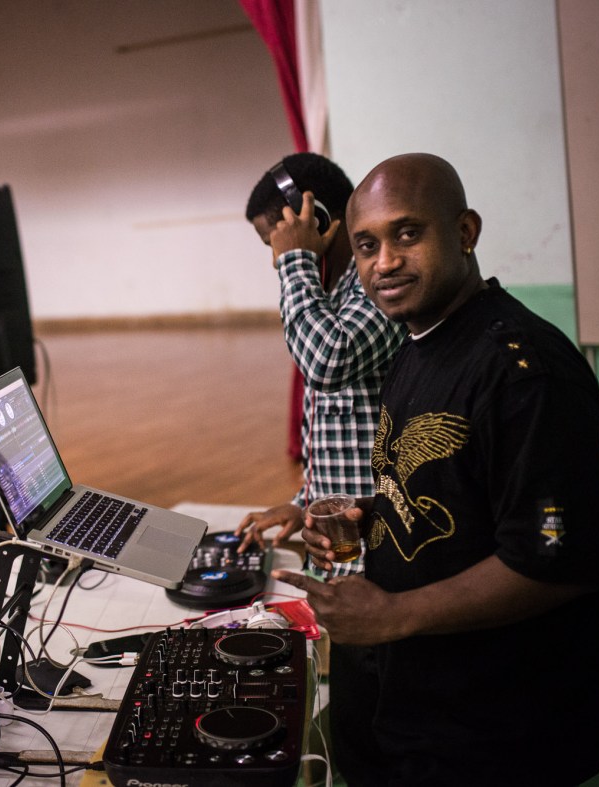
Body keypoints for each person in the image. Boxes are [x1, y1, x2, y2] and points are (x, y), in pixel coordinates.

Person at [277, 153, 599, 786]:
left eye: (407, 234)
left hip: (496, 732)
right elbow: (458, 491)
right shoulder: (418, 343)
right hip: (418, 702)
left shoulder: (526, 373)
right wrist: (371, 514)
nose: (384, 262)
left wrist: (392, 615)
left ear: (465, 232)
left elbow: (556, 563)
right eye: (367, 245)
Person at [234, 153, 404, 786]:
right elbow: (337, 427)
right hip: (347, 549)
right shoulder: (334, 295)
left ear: (316, 217)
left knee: (381, 727)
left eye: (273, 238)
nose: (274, 255)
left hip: (385, 559)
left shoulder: (374, 287)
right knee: (355, 722)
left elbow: (326, 362)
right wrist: (303, 501)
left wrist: (294, 262)